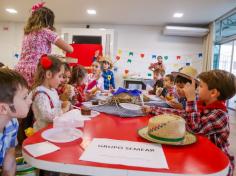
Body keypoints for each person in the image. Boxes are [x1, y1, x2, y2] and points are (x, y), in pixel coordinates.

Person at [143, 69, 236, 176]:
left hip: (215, 165)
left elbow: (194, 128)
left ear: (213, 93)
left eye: (200, 86)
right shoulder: (203, 106)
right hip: (198, 156)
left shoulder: (220, 115)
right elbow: (180, 115)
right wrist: (152, 109)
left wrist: (191, 98)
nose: (196, 89)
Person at [15, 2, 73, 86]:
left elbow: (34, 52)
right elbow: (70, 49)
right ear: (49, 21)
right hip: (36, 71)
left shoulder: (27, 33)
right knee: (37, 95)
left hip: (20, 69)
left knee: (24, 95)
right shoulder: (46, 32)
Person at [0, 68, 31, 175]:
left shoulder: (12, 123)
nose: (30, 100)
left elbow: (10, 159)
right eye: (25, 97)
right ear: (3, 108)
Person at [31, 55, 70, 132]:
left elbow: (54, 105)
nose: (62, 80)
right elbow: (47, 115)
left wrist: (62, 104)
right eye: (60, 76)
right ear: (49, 74)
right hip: (41, 132)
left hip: (51, 130)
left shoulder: (53, 90)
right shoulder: (41, 94)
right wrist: (63, 110)